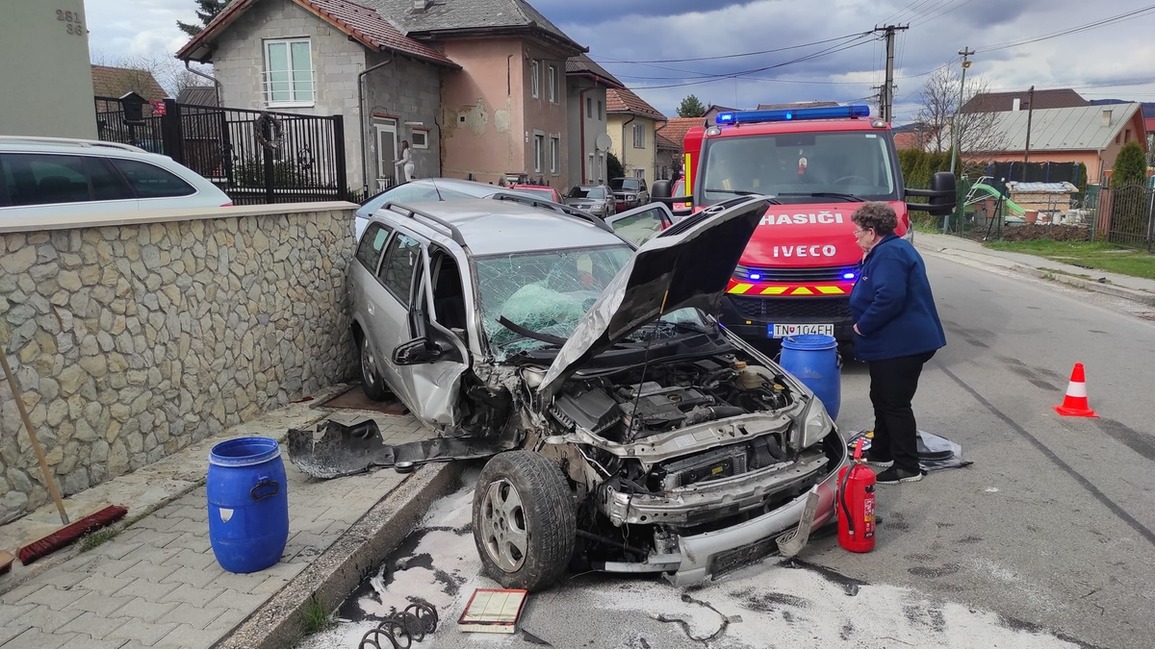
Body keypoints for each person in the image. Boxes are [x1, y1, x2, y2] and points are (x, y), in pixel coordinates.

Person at [848, 202, 946, 485]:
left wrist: (862, 325)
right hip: (893, 343)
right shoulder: (884, 251)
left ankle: (907, 466)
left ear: (871, 231)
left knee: (895, 403)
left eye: (858, 232)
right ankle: (882, 450)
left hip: (902, 344)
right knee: (881, 397)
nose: (855, 236)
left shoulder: (890, 254)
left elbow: (889, 297)